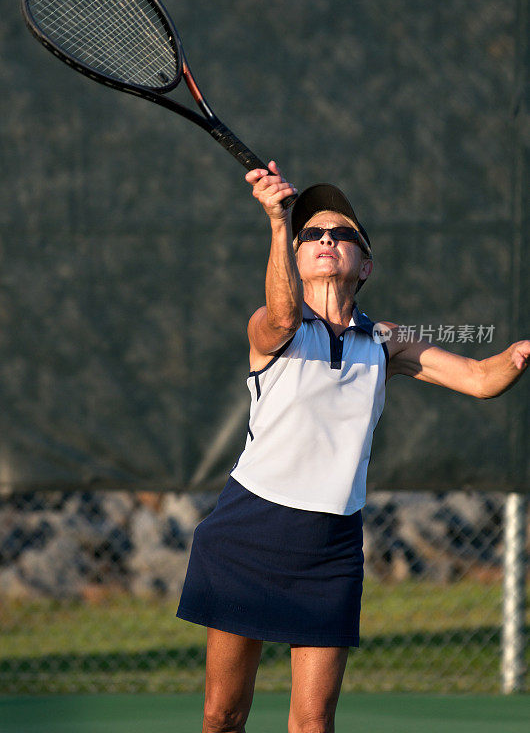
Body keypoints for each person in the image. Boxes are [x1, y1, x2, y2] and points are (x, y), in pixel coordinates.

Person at [176, 161, 529, 733]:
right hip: (248, 533)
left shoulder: (383, 342)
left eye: (341, 235)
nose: (324, 240)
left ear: (365, 264)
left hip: (330, 546)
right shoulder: (275, 325)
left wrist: (518, 354)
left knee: (314, 722)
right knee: (223, 715)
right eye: (311, 234)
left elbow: (480, 378)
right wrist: (275, 219)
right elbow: (284, 311)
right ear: (294, 258)